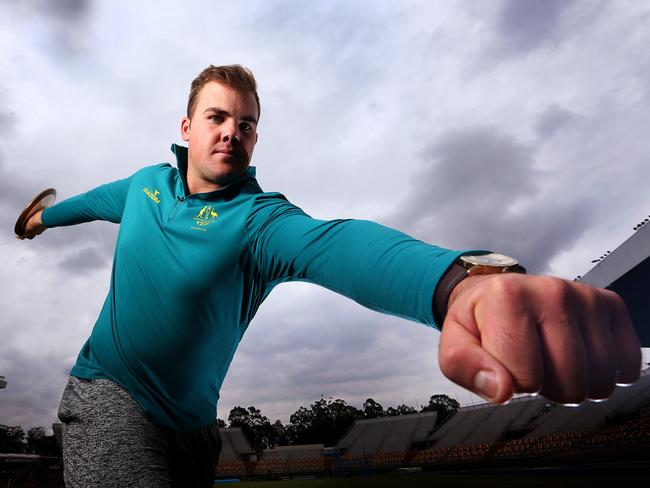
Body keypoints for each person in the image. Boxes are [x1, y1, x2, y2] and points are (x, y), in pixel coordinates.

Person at [20, 65, 641, 487]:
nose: (231, 131)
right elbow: (86, 205)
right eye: (217, 117)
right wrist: (42, 218)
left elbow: (338, 244)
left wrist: (462, 281)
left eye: (246, 123)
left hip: (195, 432)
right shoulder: (142, 187)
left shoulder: (259, 222)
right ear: (187, 128)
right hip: (112, 399)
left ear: (255, 139)